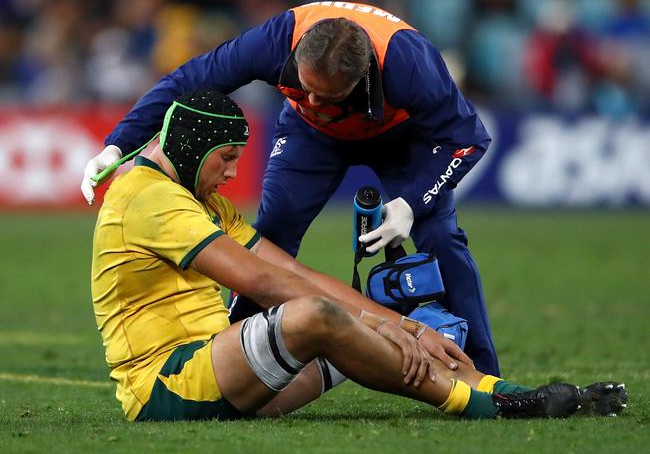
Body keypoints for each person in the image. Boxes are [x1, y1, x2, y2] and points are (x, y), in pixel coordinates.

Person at [91, 90, 626, 422]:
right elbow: (261, 282)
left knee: (363, 313)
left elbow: (293, 270)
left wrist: (406, 327)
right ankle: (481, 405)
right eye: (226, 159)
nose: (232, 174)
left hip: (219, 371)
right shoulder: (147, 196)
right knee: (322, 316)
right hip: (169, 383)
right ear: (192, 150)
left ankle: (510, 393)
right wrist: (380, 327)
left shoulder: (194, 195)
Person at [86, 2, 506, 376]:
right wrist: (118, 144)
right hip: (311, 138)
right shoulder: (275, 41)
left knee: (441, 238)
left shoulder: (409, 63)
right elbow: (189, 81)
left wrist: (413, 204)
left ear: (362, 81)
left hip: (403, 138)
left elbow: (468, 137)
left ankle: (485, 375)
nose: (309, 100)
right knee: (273, 231)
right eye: (302, 88)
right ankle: (233, 357)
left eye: (325, 96)